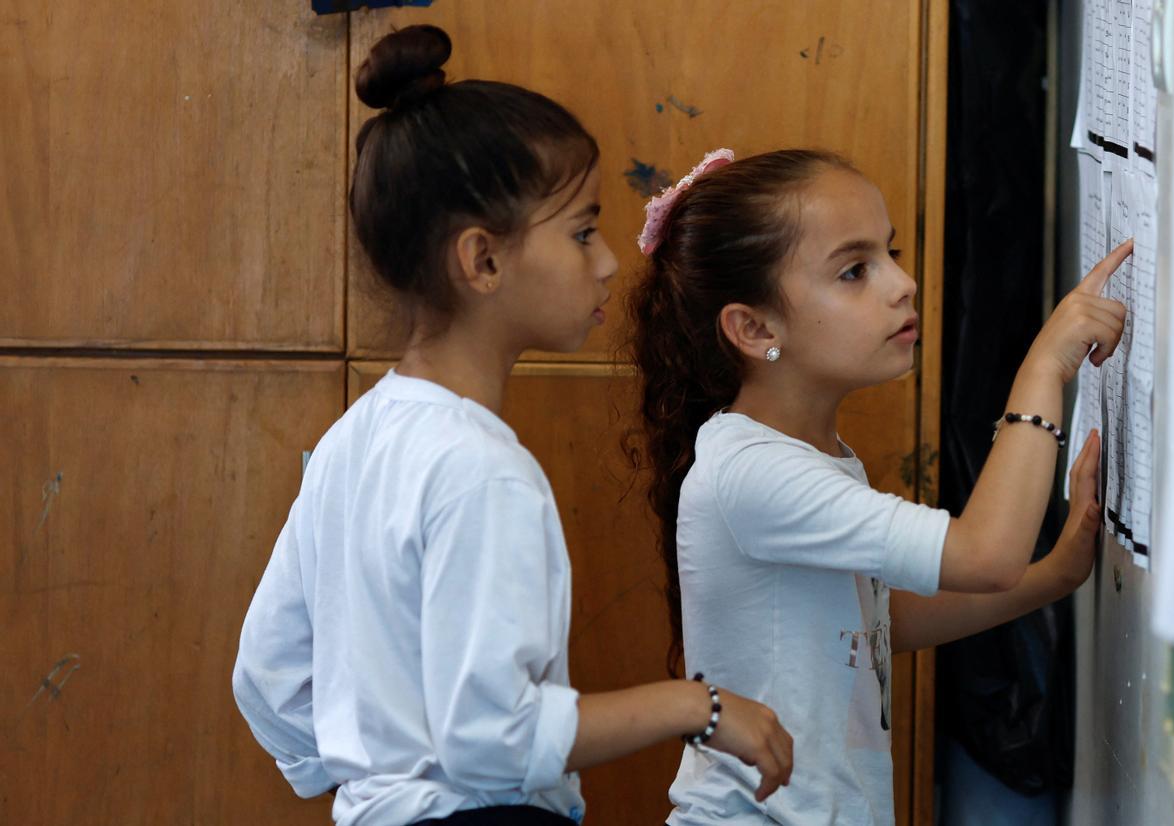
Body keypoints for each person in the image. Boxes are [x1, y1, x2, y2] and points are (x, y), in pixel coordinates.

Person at [231, 27, 792, 826]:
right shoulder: (481, 468)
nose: (606, 263)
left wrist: (379, 778)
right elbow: (494, 739)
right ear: (482, 260)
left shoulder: (353, 441)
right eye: (582, 230)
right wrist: (695, 706)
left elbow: (266, 674)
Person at [625, 147, 1129, 824]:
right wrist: (1042, 368)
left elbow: (876, 620)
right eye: (855, 270)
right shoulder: (752, 471)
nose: (903, 284)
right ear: (753, 328)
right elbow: (985, 554)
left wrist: (1053, 576)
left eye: (890, 254)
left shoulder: (807, 454)